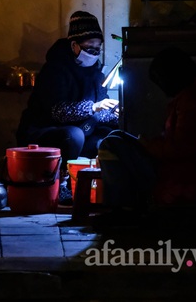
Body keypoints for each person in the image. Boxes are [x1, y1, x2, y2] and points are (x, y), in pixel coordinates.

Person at [98, 46, 196, 216]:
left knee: (111, 143)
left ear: (175, 75)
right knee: (116, 137)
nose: (163, 88)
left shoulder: (194, 101)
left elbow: (180, 149)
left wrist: (147, 145)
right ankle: (121, 205)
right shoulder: (192, 97)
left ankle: (123, 207)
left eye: (162, 81)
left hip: (183, 178)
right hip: (176, 168)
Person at [16, 11, 119, 204]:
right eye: (90, 46)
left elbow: (100, 111)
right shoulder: (55, 70)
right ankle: (61, 184)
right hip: (46, 130)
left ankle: (100, 186)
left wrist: (114, 113)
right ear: (74, 45)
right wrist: (93, 108)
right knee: (74, 136)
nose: (95, 52)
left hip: (82, 130)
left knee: (110, 136)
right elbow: (57, 112)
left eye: (98, 47)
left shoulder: (96, 72)